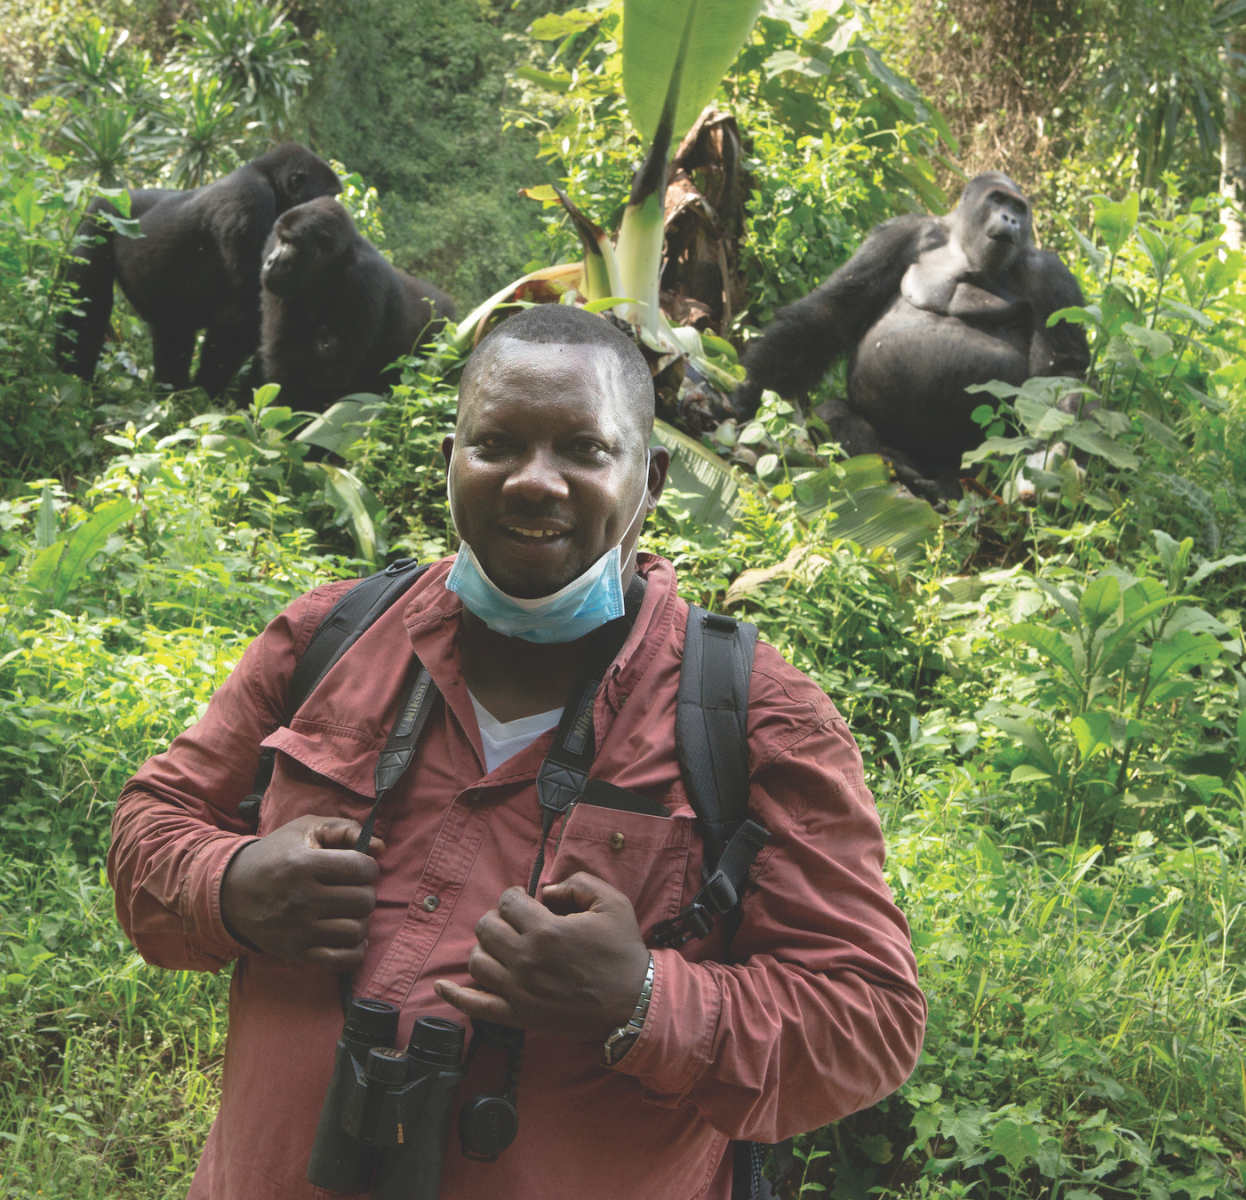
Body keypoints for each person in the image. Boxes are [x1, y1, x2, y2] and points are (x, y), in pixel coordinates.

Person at [108, 304, 925, 1200]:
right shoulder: (329, 638)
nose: (535, 482)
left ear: (650, 479)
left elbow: (871, 1019)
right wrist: (230, 885)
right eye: (495, 445)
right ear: (449, 461)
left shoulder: (758, 716)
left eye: (584, 449)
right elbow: (151, 823)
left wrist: (643, 1000)